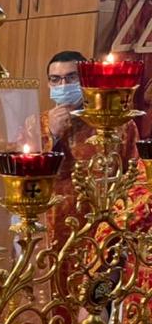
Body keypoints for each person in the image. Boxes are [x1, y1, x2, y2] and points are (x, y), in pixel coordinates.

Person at [27, 51, 139, 255]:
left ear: (86, 81)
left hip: (100, 227)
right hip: (51, 223)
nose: (63, 85)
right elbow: (23, 174)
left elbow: (135, 177)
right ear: (48, 84)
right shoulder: (35, 124)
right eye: (55, 79)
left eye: (71, 78)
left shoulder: (119, 124)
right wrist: (51, 134)